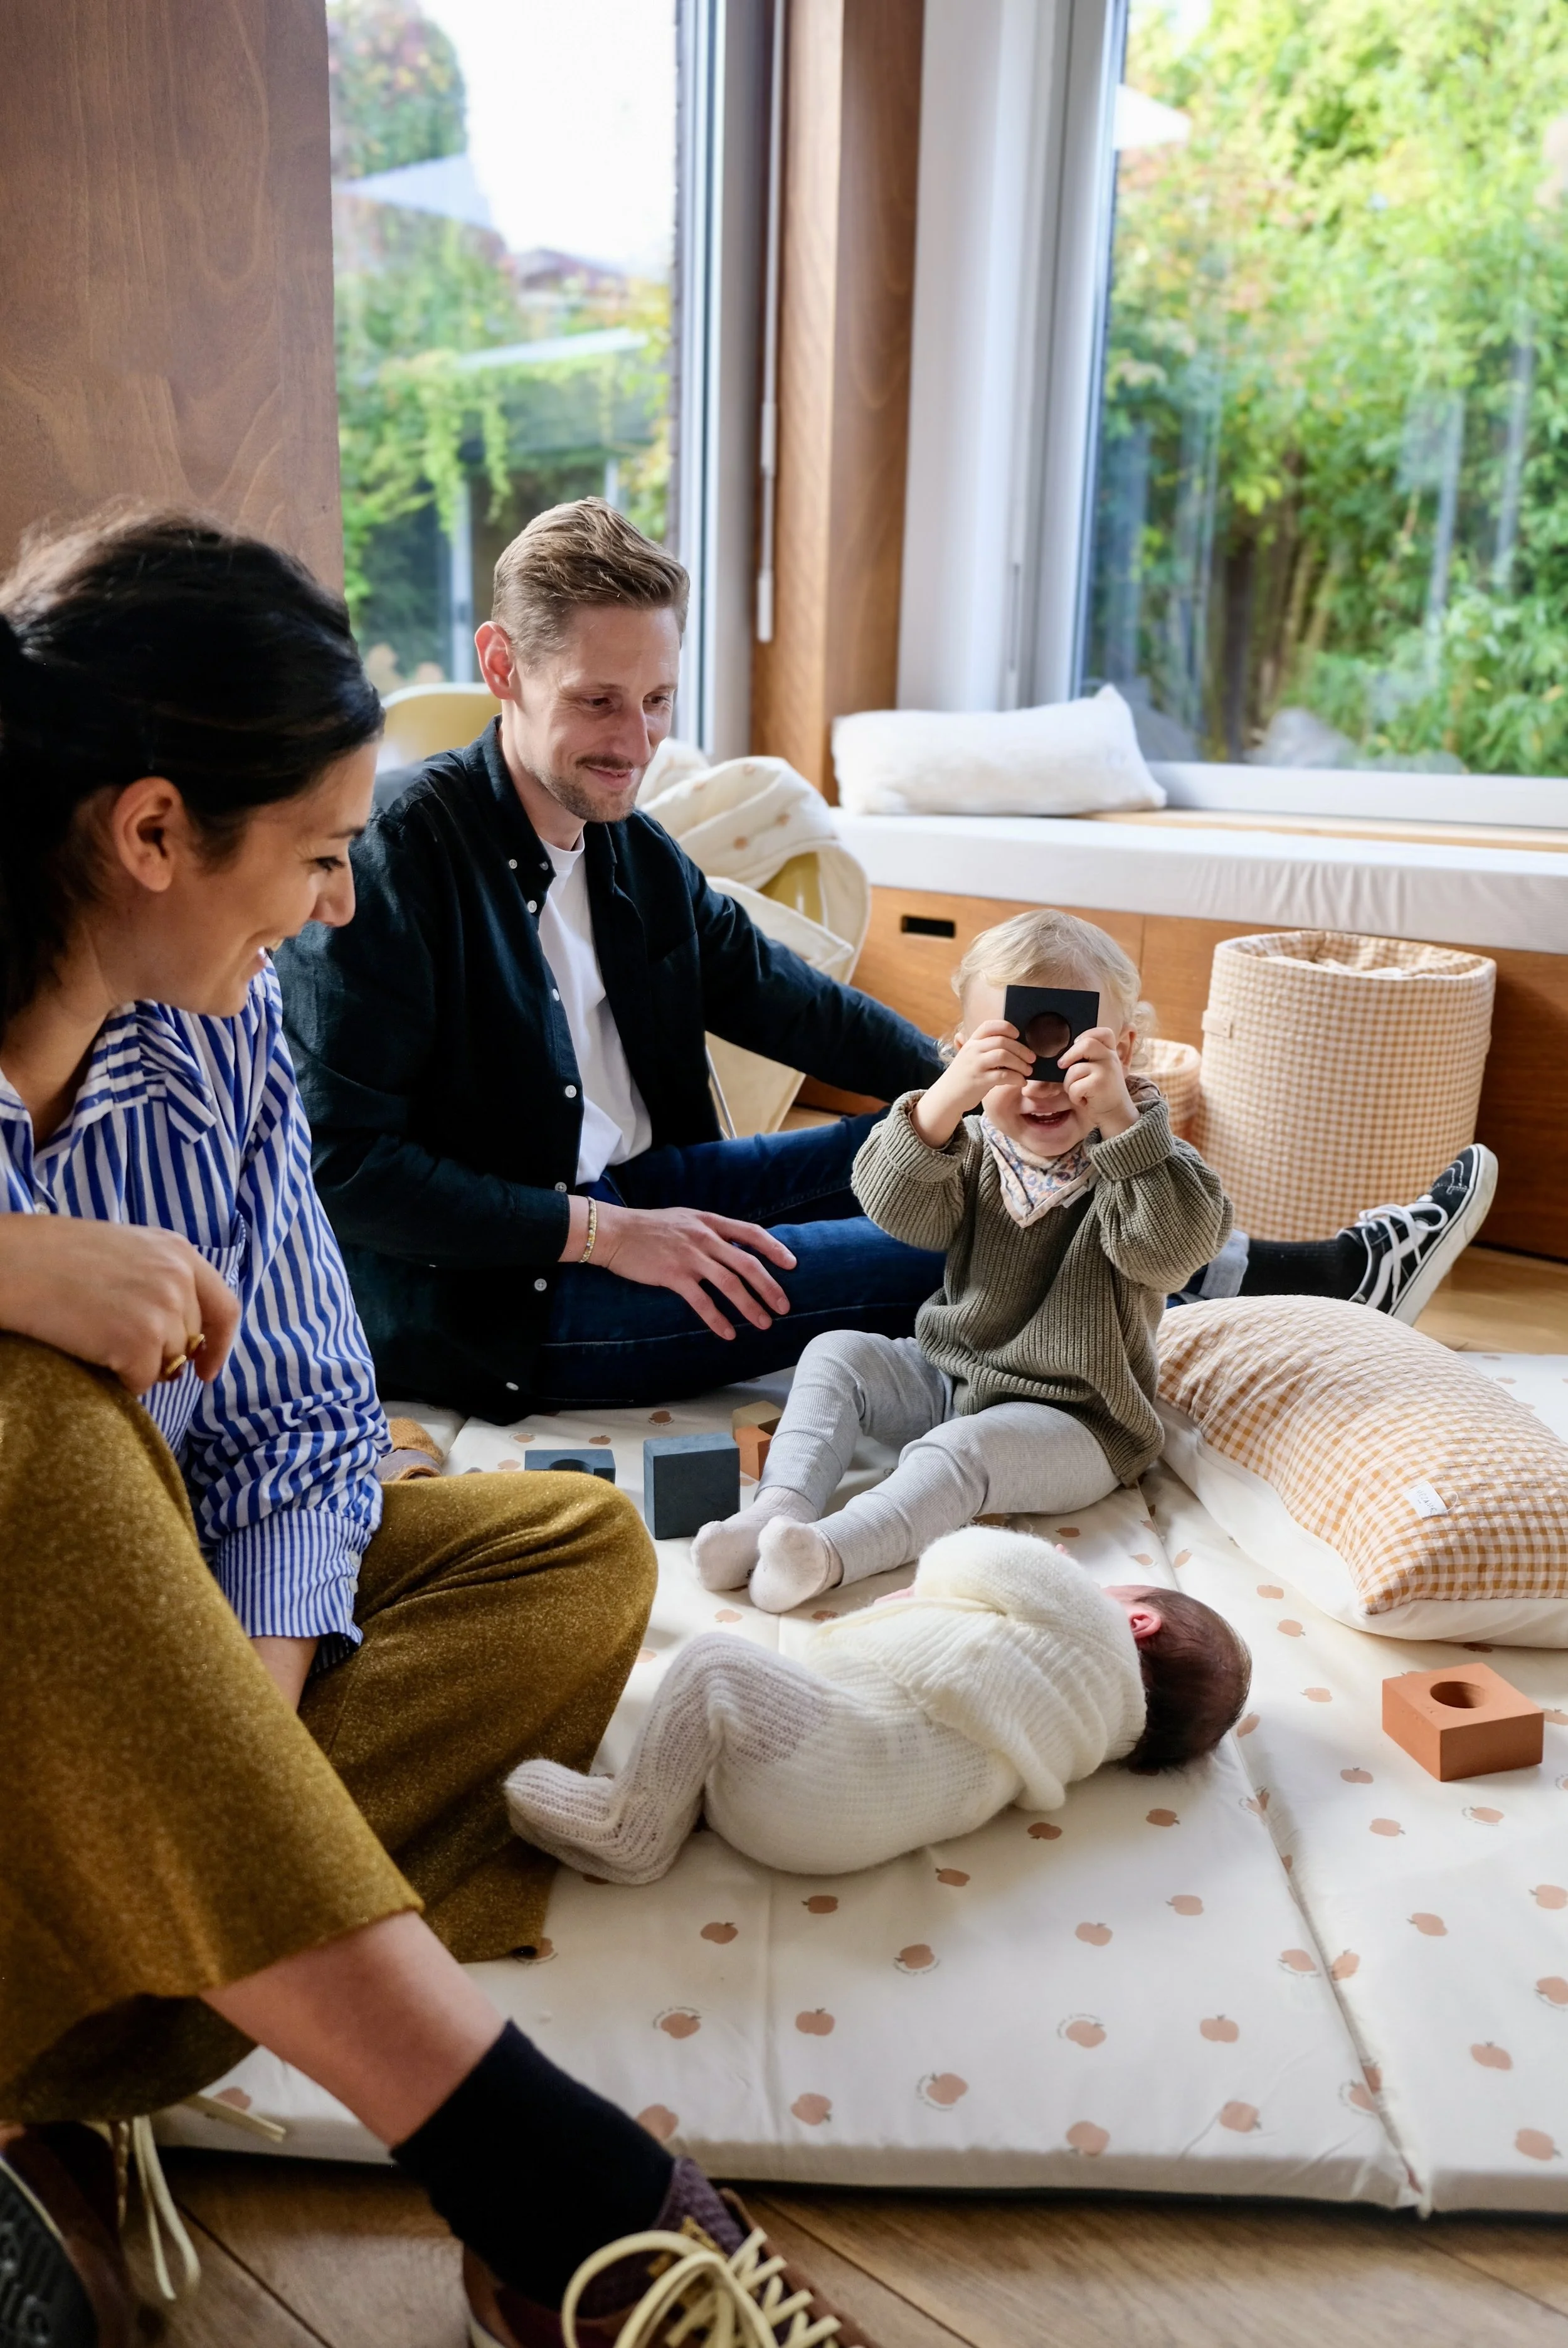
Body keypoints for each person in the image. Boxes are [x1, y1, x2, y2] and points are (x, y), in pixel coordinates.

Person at [0, 507, 876, 2348]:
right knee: (48, 1419)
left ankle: (50, 2051)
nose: (331, 904)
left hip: (143, 1684)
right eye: (311, 856)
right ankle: (553, 2178)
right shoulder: (412, 877)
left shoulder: (221, 1029)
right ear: (152, 831)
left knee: (565, 1549)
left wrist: (232, 1707)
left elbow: (312, 1426)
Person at [278, 497, 1496, 1422]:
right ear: (502, 664)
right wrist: (598, 1236)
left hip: (647, 1188)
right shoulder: (390, 855)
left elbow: (782, 1000)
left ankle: (1284, 1264)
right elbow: (347, 1168)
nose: (636, 741)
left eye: (657, 701)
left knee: (959, 1152)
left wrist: (970, 1086)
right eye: (601, 702)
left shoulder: (627, 849)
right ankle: (1319, 1281)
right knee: (996, 1237)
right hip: (499, 1298)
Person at [692, 910, 1230, 1613]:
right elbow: (894, 1209)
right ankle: (776, 1511)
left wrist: (1122, 1124)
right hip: (951, 1375)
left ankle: (829, 1553)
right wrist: (943, 1101)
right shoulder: (970, 1147)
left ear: (1123, 1051)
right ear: (965, 1052)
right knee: (833, 1353)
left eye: (1071, 1055)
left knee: (959, 1454)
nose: (1043, 1083)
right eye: (1009, 1055)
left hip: (1078, 1422)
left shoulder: (1148, 1163)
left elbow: (1167, 1255)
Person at [506, 1524, 1251, 1884]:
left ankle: (632, 1828)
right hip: (841, 1831)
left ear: (1138, 1621)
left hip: (833, 1768)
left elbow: (962, 1555)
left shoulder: (1093, 1633)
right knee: (745, 1713)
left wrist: (1043, 1564)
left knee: (712, 1665)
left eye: (1117, 1589)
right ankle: (696, 1797)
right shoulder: (1094, 1734)